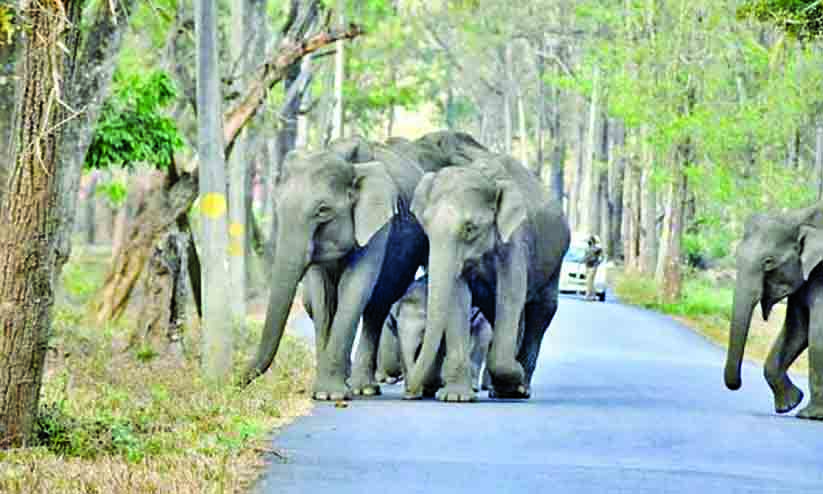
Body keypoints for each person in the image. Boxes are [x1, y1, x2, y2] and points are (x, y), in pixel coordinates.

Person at [582, 235, 604, 301]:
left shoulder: (597, 249)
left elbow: (602, 257)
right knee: (589, 281)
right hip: (587, 266)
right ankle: (593, 295)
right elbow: (585, 256)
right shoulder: (587, 248)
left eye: (590, 240)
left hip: (593, 266)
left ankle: (587, 295)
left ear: (593, 241)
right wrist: (581, 261)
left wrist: (598, 262)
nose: (589, 241)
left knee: (589, 280)